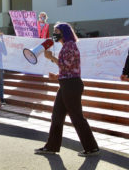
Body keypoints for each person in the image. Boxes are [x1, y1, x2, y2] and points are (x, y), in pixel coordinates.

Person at [35, 22, 99, 156]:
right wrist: (57, 76)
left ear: (64, 32)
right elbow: (70, 68)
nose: (55, 34)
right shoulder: (67, 46)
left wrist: (51, 57)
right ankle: (51, 147)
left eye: (57, 31)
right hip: (67, 84)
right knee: (57, 116)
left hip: (71, 86)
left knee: (76, 117)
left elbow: (66, 66)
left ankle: (92, 148)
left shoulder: (69, 45)